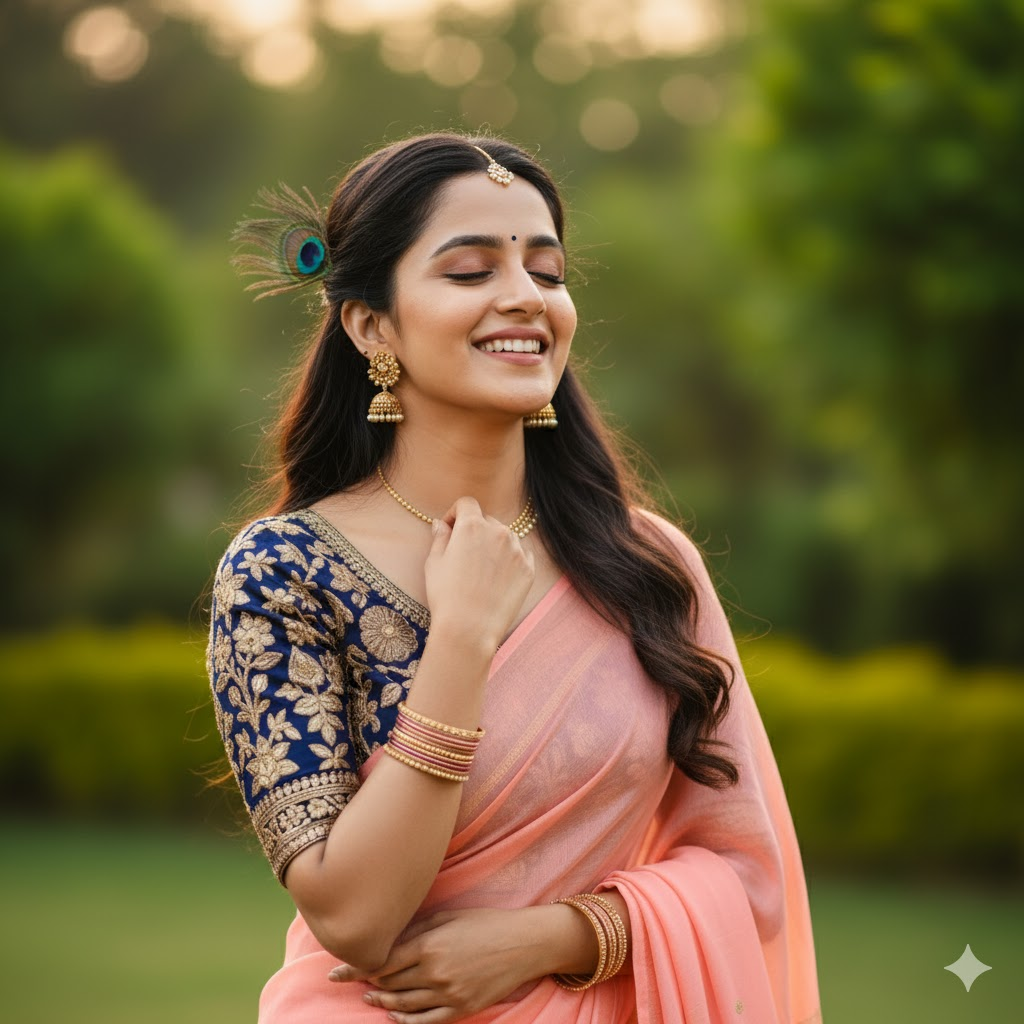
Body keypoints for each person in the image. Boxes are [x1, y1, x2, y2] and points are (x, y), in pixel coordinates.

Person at [205, 132, 823, 1024]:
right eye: (469, 272)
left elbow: (744, 871)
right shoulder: (283, 574)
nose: (524, 298)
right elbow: (354, 915)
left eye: (546, 269)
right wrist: (462, 636)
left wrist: (552, 939)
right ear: (372, 324)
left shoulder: (643, 564)